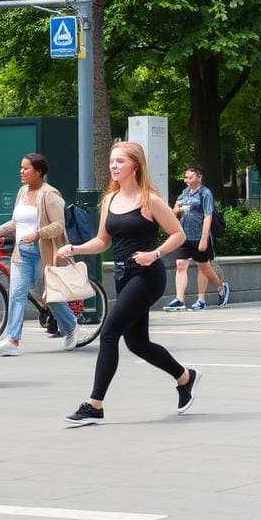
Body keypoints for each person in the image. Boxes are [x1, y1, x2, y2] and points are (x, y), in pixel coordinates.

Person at [57, 141, 198, 426]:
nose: (114, 166)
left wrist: (154, 254)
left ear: (135, 165)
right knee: (137, 343)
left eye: (120, 161)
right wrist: (74, 248)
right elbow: (102, 242)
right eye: (112, 161)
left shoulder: (150, 200)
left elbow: (178, 235)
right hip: (123, 276)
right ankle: (185, 376)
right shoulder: (109, 200)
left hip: (148, 277)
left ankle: (94, 404)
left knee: (108, 334)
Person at [0, 153, 78, 354]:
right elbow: (16, 223)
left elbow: (59, 225)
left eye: (26, 168)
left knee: (50, 296)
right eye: (21, 168)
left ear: (39, 172)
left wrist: (38, 234)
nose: (21, 172)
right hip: (21, 254)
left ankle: (70, 325)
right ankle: (12, 340)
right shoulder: (23, 191)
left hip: (43, 253)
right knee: (16, 294)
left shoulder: (50, 194)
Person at [163, 165, 229, 312]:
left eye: (190, 177)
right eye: (185, 177)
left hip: (199, 236)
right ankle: (179, 299)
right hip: (184, 235)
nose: (187, 180)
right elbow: (174, 213)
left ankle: (218, 288)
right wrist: (177, 209)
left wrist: (204, 238)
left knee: (204, 267)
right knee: (181, 264)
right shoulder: (184, 193)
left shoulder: (205, 193)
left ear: (199, 177)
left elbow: (208, 216)